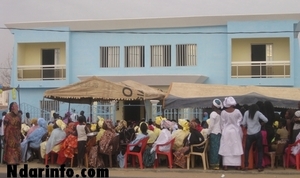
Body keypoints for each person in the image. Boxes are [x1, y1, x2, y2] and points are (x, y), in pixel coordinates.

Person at [218, 97, 243, 170]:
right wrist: (237, 125)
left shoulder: (223, 112)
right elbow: (240, 120)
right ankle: (237, 165)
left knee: (226, 147)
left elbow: (222, 123)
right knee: (236, 147)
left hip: (226, 131)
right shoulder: (237, 111)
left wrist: (223, 129)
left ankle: (226, 165)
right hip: (235, 131)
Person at [241, 103, 268, 172]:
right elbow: (266, 120)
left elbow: (243, 123)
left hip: (249, 134)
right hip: (257, 133)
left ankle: (246, 165)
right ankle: (259, 166)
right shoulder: (258, 113)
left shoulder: (246, 113)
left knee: (247, 149)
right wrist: (261, 124)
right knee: (259, 150)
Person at [207, 98, 223, 170]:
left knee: (213, 149)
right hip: (219, 132)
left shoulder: (213, 113)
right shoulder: (220, 113)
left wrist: (208, 133)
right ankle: (218, 163)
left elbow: (211, 125)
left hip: (214, 132)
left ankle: (214, 164)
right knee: (218, 148)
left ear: (214, 106)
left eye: (212, 104)